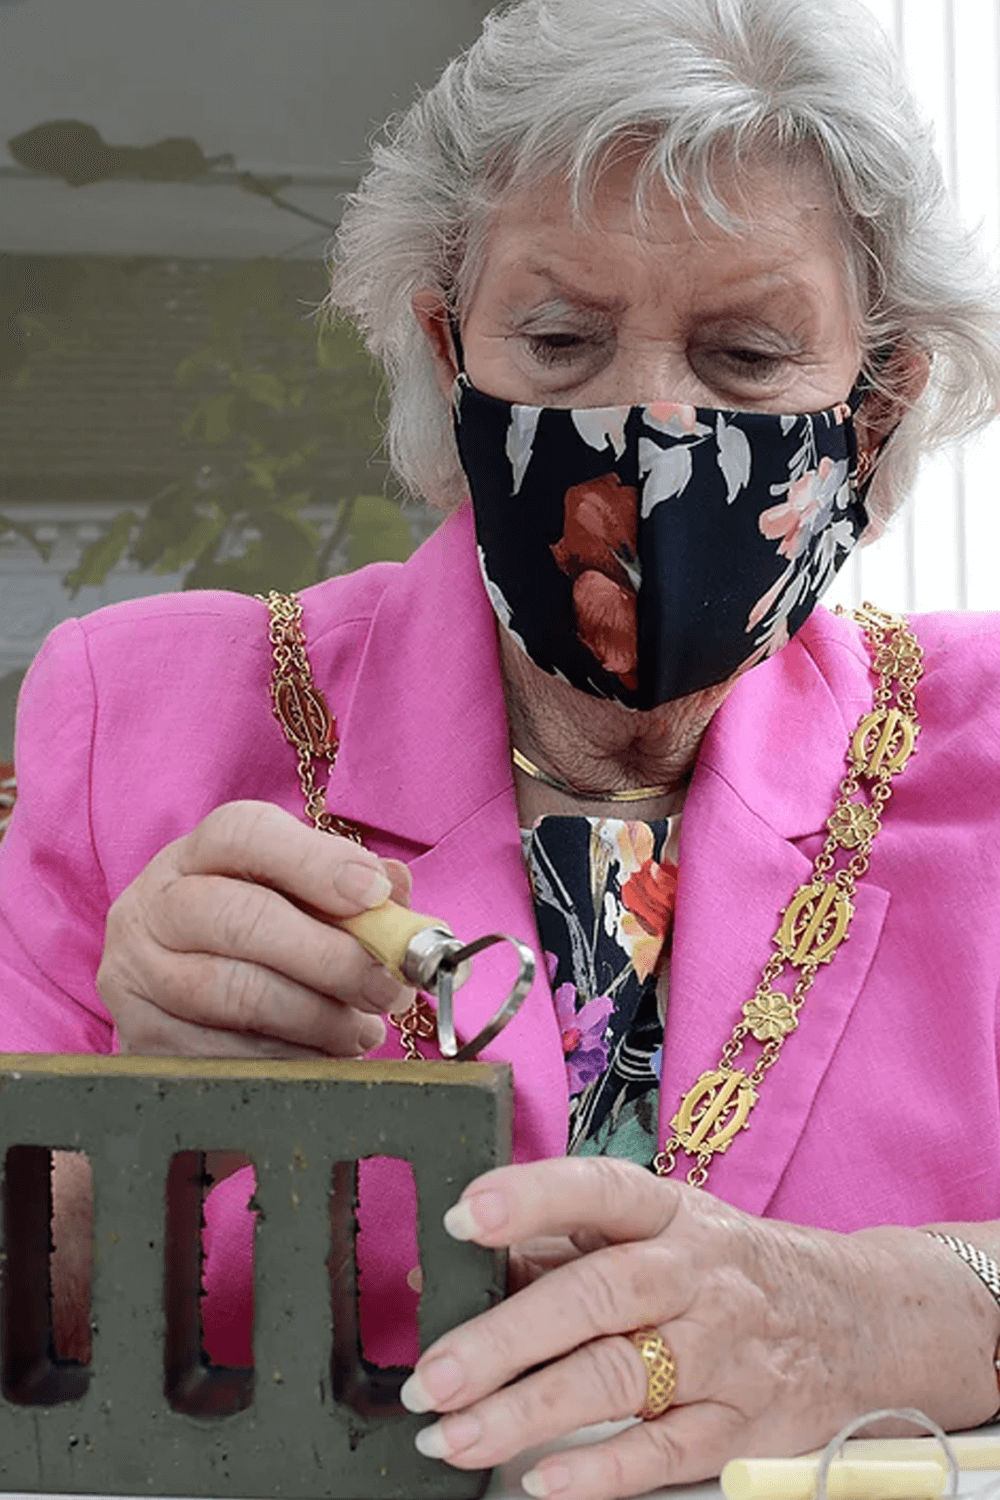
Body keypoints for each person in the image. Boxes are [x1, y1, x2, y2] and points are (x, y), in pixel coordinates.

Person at [3, 0, 1000, 1495]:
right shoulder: (145, 717)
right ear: (447, 350)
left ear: (874, 411)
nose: (649, 425)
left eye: (744, 355)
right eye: (560, 340)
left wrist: (886, 1314)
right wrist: (138, 1116)